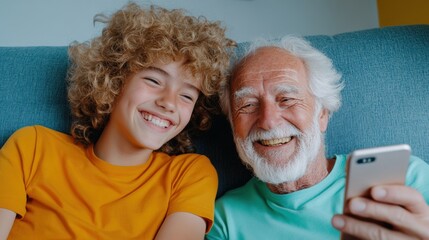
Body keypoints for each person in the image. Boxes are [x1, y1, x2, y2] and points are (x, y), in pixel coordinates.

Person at [0, 2, 235, 239]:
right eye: (154, 81)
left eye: (186, 95)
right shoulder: (33, 147)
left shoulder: (189, 174)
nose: (169, 103)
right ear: (113, 81)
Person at [206, 36, 429, 239]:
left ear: (322, 114)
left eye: (286, 99)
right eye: (248, 105)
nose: (268, 121)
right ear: (233, 125)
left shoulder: (406, 177)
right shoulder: (223, 221)